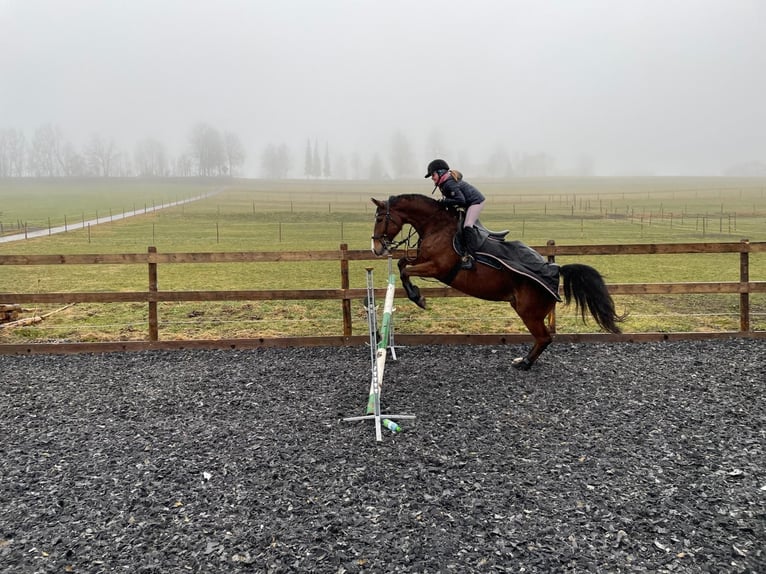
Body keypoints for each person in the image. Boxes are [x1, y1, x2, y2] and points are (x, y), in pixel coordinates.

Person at [425, 158, 485, 269]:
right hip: (467, 203)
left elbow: (461, 200)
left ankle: (470, 257)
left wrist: (443, 202)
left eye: (433, 175)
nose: (432, 178)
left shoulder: (449, 184)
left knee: (468, 225)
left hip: (475, 202)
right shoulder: (444, 183)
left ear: (440, 172)